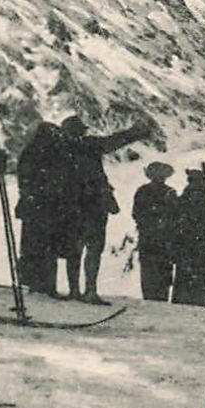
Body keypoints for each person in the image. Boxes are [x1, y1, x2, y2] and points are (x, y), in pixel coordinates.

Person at [61, 114, 150, 305]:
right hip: (94, 204)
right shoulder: (89, 145)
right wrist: (134, 133)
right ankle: (90, 291)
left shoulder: (59, 150)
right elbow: (112, 142)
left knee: (74, 249)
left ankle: (74, 290)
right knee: (93, 248)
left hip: (71, 205)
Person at [15, 120, 73, 296]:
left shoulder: (31, 152)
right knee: (48, 248)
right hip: (48, 207)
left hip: (35, 207)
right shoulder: (54, 153)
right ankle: (46, 285)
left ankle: (36, 283)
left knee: (35, 246)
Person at [171, 165, 205, 306]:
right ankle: (200, 298)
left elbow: (174, 218)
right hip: (200, 240)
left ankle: (183, 297)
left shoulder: (182, 199)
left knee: (184, 269)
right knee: (201, 268)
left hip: (183, 240)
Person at [132, 161, 177, 302]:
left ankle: (151, 298)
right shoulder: (170, 193)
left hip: (149, 238)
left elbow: (136, 214)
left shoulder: (142, 191)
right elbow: (176, 216)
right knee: (162, 271)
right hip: (163, 239)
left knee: (149, 271)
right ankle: (159, 298)